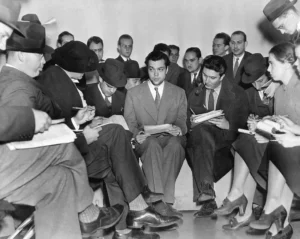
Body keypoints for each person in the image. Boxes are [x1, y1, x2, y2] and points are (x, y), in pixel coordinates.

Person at [0, 6, 123, 239]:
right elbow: (12, 134)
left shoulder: (16, 79)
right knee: (64, 146)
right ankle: (89, 215)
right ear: (21, 55)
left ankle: (81, 221)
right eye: (39, 55)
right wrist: (35, 122)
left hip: (12, 164)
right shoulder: (16, 86)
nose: (44, 60)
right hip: (4, 167)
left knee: (62, 180)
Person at [38, 41, 180, 239]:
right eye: (82, 68)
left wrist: (82, 122)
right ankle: (139, 204)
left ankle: (125, 228)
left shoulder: (62, 78)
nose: (86, 73)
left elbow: (59, 117)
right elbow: (49, 125)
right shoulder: (55, 77)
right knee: (115, 134)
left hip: (75, 148)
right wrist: (80, 131)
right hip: (68, 157)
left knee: (117, 156)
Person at [124, 50, 187, 218]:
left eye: (160, 69)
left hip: (169, 138)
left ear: (167, 70)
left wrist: (179, 128)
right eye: (151, 69)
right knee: (152, 145)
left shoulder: (178, 92)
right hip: (145, 140)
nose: (156, 74)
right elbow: (130, 122)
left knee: (176, 144)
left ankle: (166, 202)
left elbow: (182, 119)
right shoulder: (134, 93)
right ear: (147, 70)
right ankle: (158, 201)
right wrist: (136, 134)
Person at [214, 53, 274, 230]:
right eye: (252, 82)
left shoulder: (280, 90)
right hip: (255, 139)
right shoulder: (248, 92)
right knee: (243, 141)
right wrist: (250, 121)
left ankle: (241, 204)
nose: (257, 86)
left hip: (277, 140)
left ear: (270, 74)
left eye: (261, 80)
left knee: (246, 145)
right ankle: (239, 200)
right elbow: (241, 119)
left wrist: (264, 124)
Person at [187, 55, 249, 217]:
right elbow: (186, 121)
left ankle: (207, 198)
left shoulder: (238, 93)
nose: (206, 81)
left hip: (226, 141)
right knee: (199, 133)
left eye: (212, 78)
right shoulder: (194, 93)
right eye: (204, 75)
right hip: (202, 140)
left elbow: (244, 127)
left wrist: (228, 125)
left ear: (222, 77)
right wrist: (191, 123)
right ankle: (207, 189)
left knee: (198, 144)